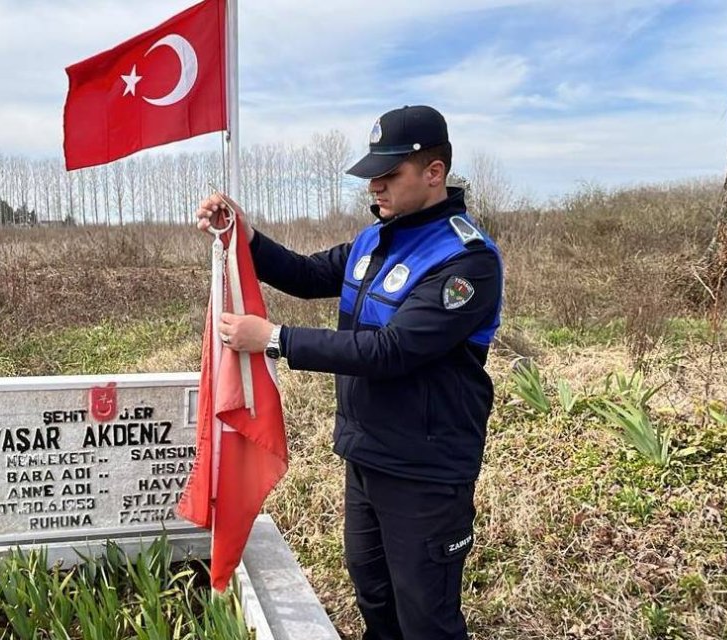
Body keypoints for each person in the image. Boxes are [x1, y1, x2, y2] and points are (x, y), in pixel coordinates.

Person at [195, 105, 503, 640]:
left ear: (434, 173)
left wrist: (272, 339)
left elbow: (392, 350)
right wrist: (245, 237)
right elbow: (308, 273)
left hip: (425, 468)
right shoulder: (375, 238)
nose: (376, 188)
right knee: (373, 591)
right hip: (366, 451)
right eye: (372, 177)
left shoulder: (466, 261)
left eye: (389, 176)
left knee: (425, 614)